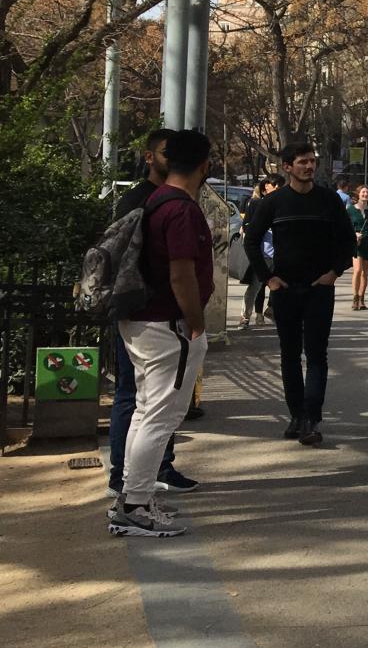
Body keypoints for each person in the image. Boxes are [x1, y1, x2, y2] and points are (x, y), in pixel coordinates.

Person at [107, 130, 214, 537]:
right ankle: (134, 505)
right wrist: (196, 319)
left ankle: (131, 496)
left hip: (144, 322)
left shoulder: (154, 201)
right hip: (168, 325)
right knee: (160, 416)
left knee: (145, 412)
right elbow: (181, 273)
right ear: (203, 165)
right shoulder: (181, 210)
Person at [243, 142, 355, 446]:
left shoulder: (329, 200)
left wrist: (335, 272)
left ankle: (310, 417)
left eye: (312, 162)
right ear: (287, 167)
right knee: (289, 355)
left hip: (320, 290)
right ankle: (296, 414)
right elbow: (251, 241)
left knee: (317, 355)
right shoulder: (274, 203)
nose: (308, 167)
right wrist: (269, 279)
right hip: (286, 290)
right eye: (302, 162)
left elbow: (348, 242)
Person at [239, 175, 284, 328]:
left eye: (280, 185)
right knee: (255, 288)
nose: (278, 187)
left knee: (282, 286)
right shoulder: (256, 204)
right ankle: (245, 317)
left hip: (279, 255)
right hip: (262, 255)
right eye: (275, 184)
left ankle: (271, 311)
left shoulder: (283, 206)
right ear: (266, 187)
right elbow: (247, 228)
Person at [347, 185, 368, 310]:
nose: (365, 194)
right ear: (358, 194)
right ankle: (355, 298)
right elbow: (346, 226)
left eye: (367, 192)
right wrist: (354, 234)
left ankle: (362, 298)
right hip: (356, 243)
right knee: (357, 271)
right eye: (363, 192)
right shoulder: (350, 210)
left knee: (365, 273)